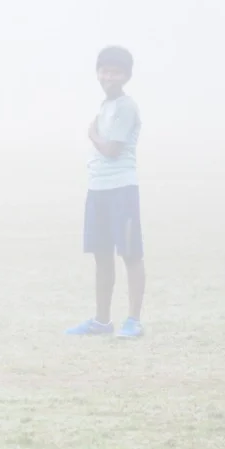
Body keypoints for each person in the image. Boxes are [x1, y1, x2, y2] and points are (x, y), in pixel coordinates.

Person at [66, 45, 146, 338]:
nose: (107, 76)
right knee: (101, 255)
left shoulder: (126, 107)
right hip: (98, 189)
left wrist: (92, 134)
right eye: (103, 71)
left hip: (121, 190)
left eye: (114, 72)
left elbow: (112, 149)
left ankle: (133, 321)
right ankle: (101, 321)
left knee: (130, 254)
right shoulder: (105, 106)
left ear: (125, 75)